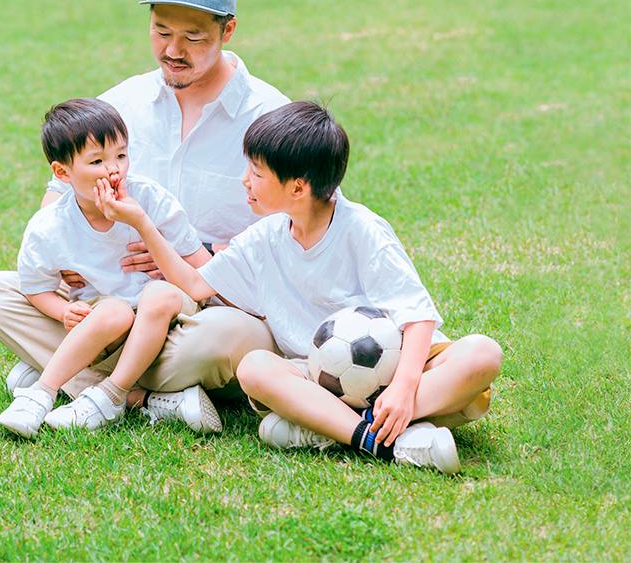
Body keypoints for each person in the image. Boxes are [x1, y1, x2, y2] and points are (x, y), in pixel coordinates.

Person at [96, 101, 503, 473]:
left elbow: (416, 315)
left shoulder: (362, 229)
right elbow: (196, 283)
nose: (245, 181)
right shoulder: (265, 236)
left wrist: (403, 387)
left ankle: (335, 427)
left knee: (483, 354)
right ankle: (388, 439)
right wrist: (141, 222)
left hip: (393, 367)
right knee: (255, 367)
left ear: (298, 188)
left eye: (256, 173)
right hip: (315, 375)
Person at [0, 0, 291, 427]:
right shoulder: (121, 102)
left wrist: (193, 253)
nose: (172, 50)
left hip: (200, 310)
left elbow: (296, 235)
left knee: (231, 338)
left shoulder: (269, 116)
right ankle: (141, 395)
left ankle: (68, 373)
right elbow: (58, 199)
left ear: (228, 31)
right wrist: (67, 280)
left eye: (193, 38)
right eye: (162, 32)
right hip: (110, 301)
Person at [0, 98, 215, 438]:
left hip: (169, 317)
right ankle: (41, 394)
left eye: (121, 156)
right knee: (112, 311)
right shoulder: (50, 226)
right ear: (62, 173)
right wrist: (63, 310)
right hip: (105, 327)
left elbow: (201, 267)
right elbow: (35, 286)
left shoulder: (150, 199)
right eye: (97, 161)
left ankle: (105, 393)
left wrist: (140, 222)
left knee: (158, 294)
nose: (114, 169)